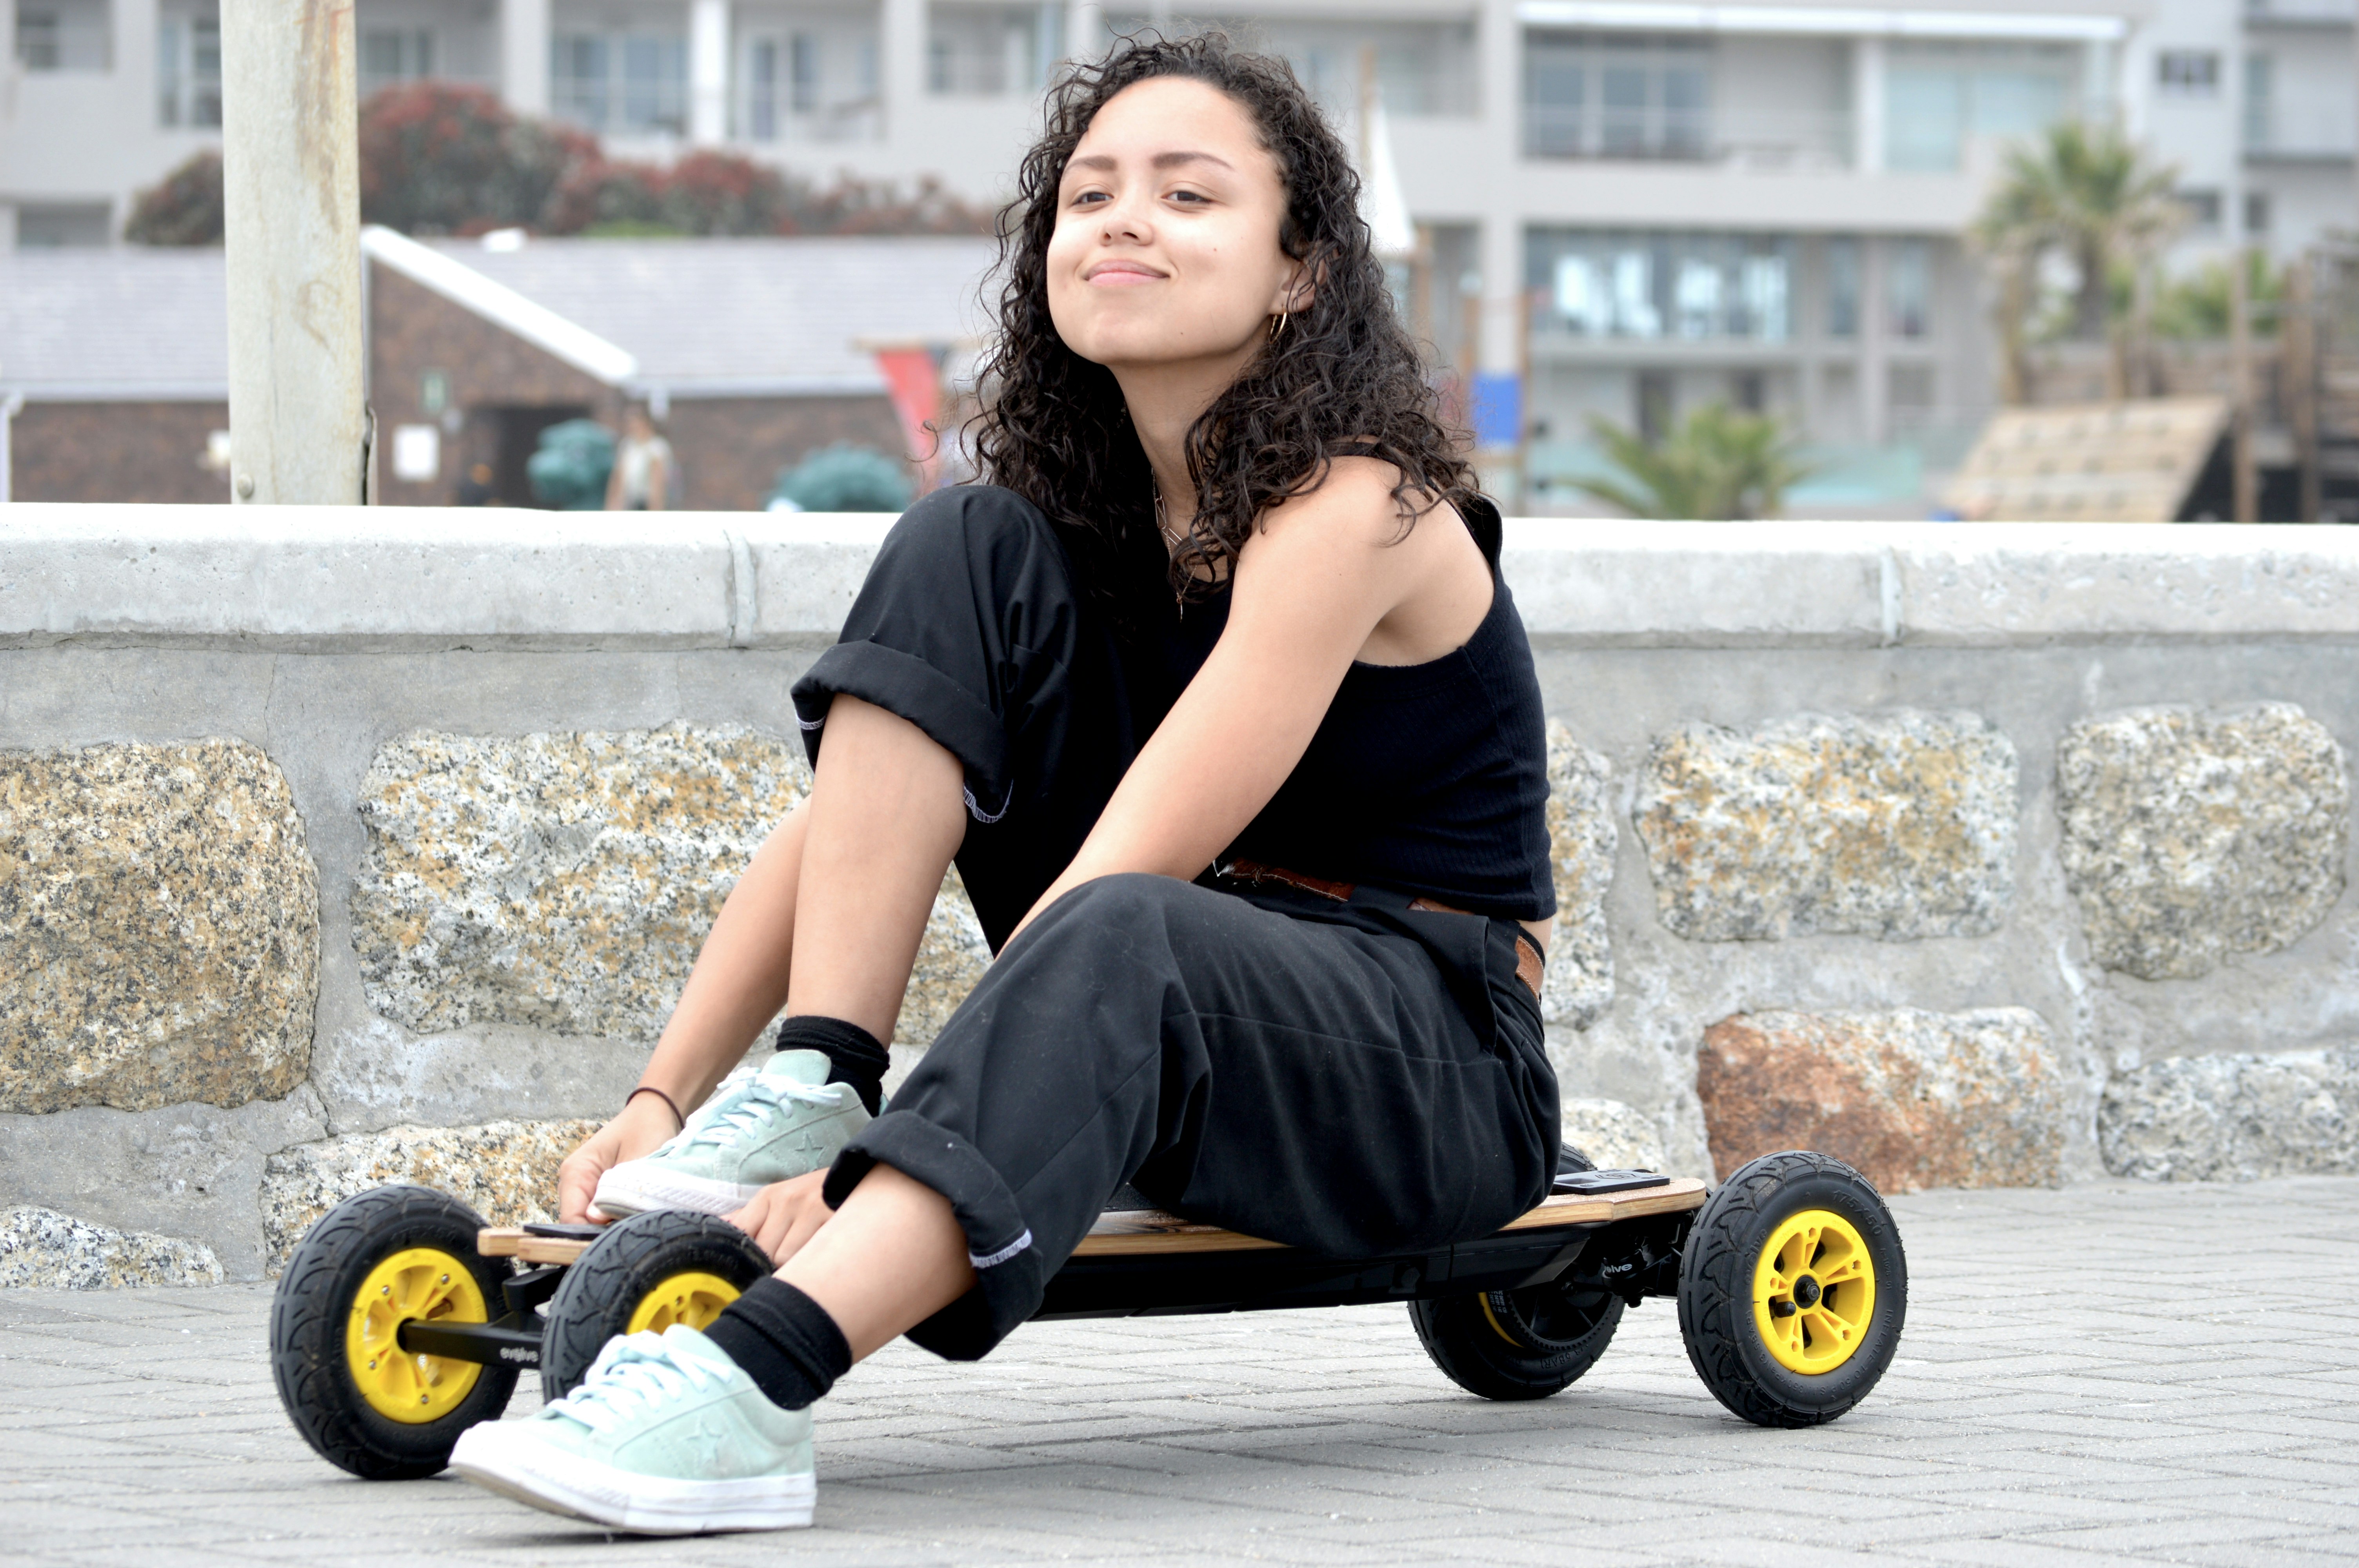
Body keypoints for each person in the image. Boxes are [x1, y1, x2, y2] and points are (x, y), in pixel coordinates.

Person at [449, 32, 1560, 1536]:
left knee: (1122, 921)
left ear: (1298, 272)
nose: (1120, 220)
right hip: (1182, 1000)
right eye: (1088, 192)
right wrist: (665, 1099)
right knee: (954, 542)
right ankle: (813, 1075)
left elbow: (1138, 872)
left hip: (1425, 1049)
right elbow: (849, 816)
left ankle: (747, 1392)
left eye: (1186, 194)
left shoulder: (1358, 500)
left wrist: (888, 1167)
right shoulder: (1072, 533)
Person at [603, 404, 673, 510]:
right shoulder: (627, 445)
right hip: (630, 502)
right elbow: (618, 477)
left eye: (635, 422)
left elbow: (658, 482)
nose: (631, 426)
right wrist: (613, 504)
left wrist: (655, 509)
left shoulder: (657, 447)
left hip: (647, 503)